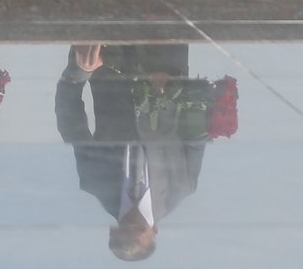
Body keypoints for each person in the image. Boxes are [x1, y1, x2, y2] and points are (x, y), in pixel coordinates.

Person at [58, 44, 206, 260]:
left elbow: (71, 126)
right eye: (139, 229)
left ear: (113, 230)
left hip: (108, 61)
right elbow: (196, 136)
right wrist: (176, 86)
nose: (134, 222)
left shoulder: (94, 183)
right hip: (165, 60)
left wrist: (79, 73)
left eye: (126, 228)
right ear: (155, 232)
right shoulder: (182, 188)